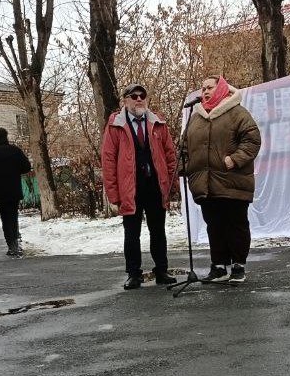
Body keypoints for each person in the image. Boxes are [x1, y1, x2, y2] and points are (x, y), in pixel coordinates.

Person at [184, 75, 261, 284]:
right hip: (206, 182)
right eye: (202, 88)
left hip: (232, 180)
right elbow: (186, 146)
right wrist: (186, 165)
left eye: (209, 87)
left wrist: (234, 160)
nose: (205, 91)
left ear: (222, 90)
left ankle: (238, 266)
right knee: (214, 225)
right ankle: (218, 266)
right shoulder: (196, 117)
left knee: (235, 224)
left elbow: (252, 140)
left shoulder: (238, 113)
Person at [101, 83, 178, 290]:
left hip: (155, 186)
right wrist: (113, 194)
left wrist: (172, 184)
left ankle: (161, 270)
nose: (138, 99)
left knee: (158, 231)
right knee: (132, 233)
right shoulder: (116, 125)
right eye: (133, 96)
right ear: (124, 101)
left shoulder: (158, 123)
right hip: (130, 189)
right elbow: (108, 161)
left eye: (142, 95)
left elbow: (170, 156)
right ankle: (133, 274)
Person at [0, 128, 32, 256]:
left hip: (0, 190)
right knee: (13, 216)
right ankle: (15, 242)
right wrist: (15, 171)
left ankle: (10, 245)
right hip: (14, 188)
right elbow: (26, 166)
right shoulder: (15, 151)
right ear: (6, 136)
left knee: (5, 218)